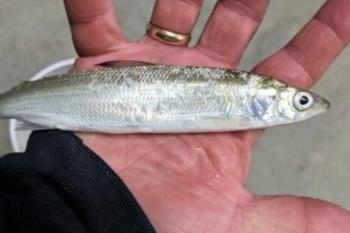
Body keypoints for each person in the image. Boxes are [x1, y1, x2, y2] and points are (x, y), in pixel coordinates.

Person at [1, 0, 349, 232]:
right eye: (301, 102)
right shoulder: (242, 99)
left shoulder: (244, 107)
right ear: (262, 96)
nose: (305, 107)